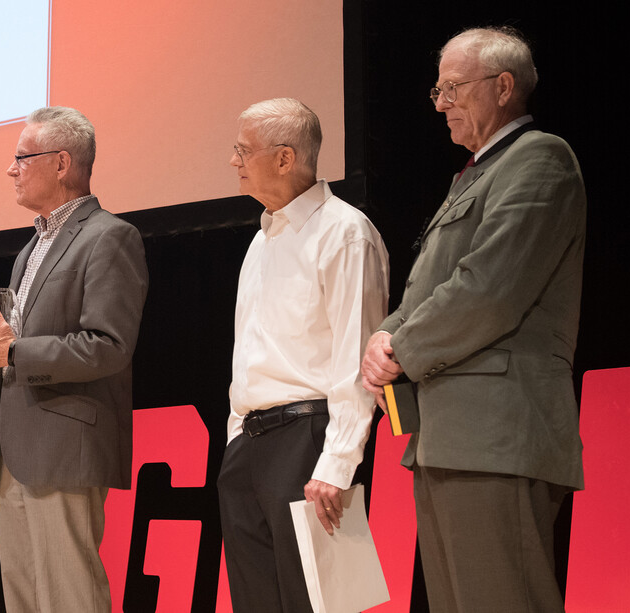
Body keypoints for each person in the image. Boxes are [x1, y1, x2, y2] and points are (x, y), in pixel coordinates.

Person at [360, 26, 586, 612]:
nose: (441, 104)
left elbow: (488, 290)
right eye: (437, 90)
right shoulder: (473, 174)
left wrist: (400, 346)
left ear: (503, 86)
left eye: (453, 88)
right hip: (447, 437)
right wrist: (383, 334)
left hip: (498, 435)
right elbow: (428, 289)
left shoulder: (540, 159)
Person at [0, 106, 148, 613]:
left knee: (70, 599)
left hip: (65, 447)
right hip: (14, 451)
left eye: (22, 158)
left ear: (62, 163)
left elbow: (108, 345)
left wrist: (15, 352)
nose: (11, 170)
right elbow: (19, 346)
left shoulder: (109, 236)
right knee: (23, 599)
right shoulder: (32, 247)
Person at [217, 99, 389, 612]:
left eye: (243, 150)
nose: (234, 161)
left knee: (317, 601)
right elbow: (247, 353)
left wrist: (337, 462)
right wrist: (233, 439)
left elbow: (356, 358)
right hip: (249, 444)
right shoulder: (261, 241)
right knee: (257, 601)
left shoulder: (344, 231)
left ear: (286, 158)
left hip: (305, 439)